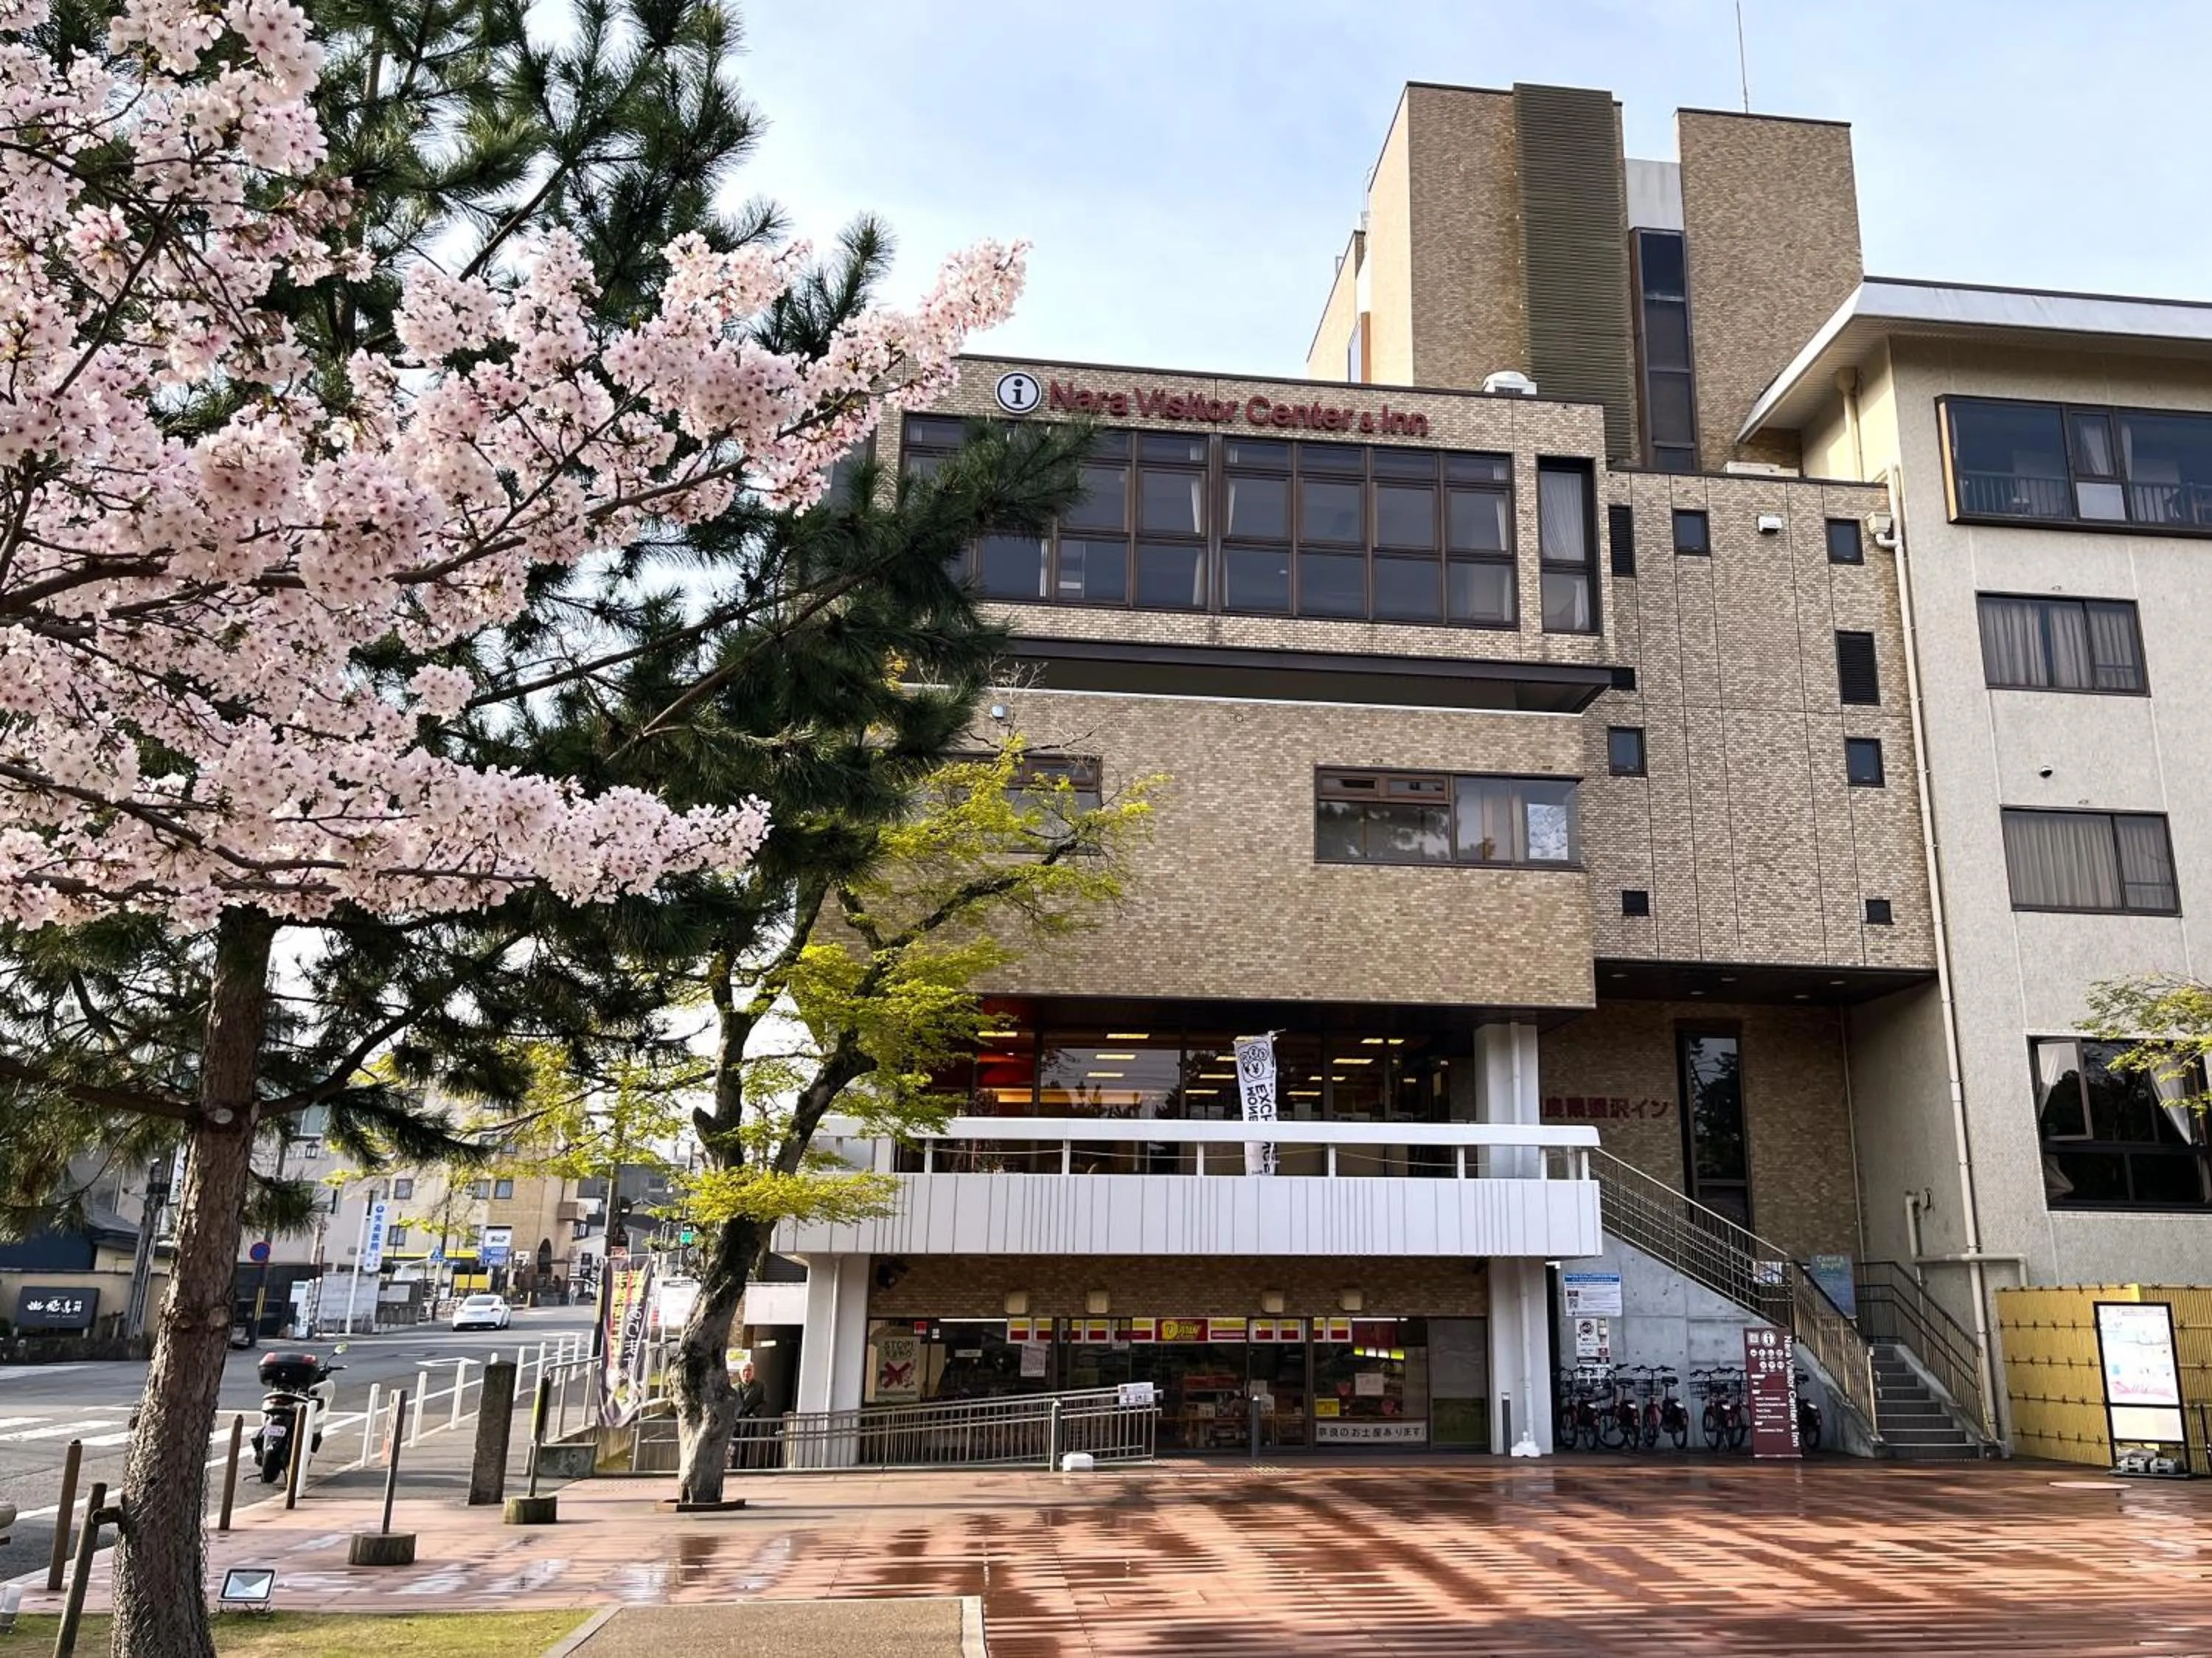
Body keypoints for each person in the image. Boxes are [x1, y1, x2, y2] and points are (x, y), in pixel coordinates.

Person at [731, 1362, 770, 1470]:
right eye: (744, 1371)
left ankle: (744, 1468)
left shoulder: (759, 1386)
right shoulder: (734, 1388)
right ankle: (733, 1468)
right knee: (734, 1447)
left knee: (747, 1446)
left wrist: (754, 1413)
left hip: (751, 1421)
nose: (746, 1373)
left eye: (749, 1371)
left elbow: (764, 1403)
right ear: (740, 1373)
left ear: (753, 1373)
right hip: (737, 1422)